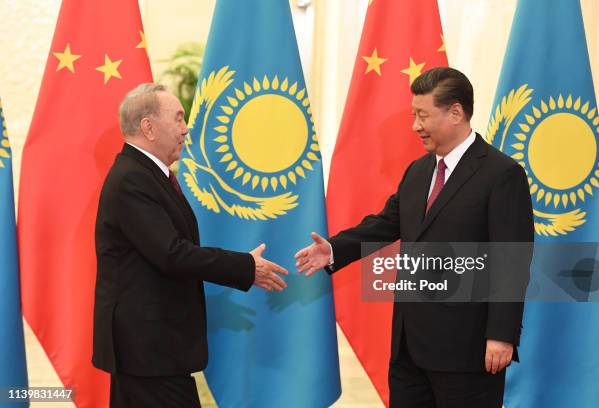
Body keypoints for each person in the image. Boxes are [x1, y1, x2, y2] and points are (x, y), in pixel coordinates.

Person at [295, 67, 534, 407]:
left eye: (422, 115)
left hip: (468, 352)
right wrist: (334, 249)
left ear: (455, 113)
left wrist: (501, 335)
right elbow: (385, 224)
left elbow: (512, 261)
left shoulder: (502, 174)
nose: (415, 126)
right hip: (409, 351)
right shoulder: (419, 170)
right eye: (413, 115)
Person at [93, 83, 288, 408]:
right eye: (179, 118)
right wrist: (245, 266)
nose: (187, 128)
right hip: (147, 352)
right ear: (148, 127)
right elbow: (172, 253)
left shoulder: (148, 174)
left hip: (155, 350)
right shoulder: (132, 179)